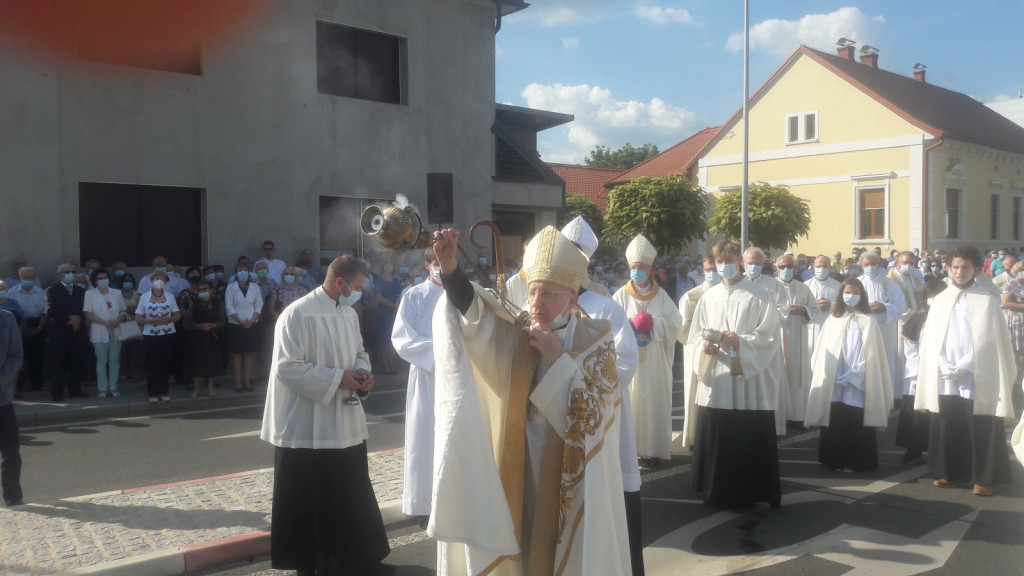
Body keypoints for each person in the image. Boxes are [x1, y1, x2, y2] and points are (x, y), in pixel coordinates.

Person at [430, 225, 631, 576]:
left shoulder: (594, 340)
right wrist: (450, 268)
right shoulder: (516, 329)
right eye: (533, 291)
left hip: (569, 472)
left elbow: (598, 416)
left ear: (573, 298)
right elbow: (476, 316)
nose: (536, 303)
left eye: (549, 294)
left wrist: (560, 359)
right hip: (518, 459)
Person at [260, 255, 392, 575]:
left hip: (344, 421)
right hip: (306, 424)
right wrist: (339, 379)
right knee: (310, 500)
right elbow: (287, 369)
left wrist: (362, 373)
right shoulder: (297, 314)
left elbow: (360, 351)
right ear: (339, 283)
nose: (360, 293)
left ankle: (356, 559)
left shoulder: (347, 313)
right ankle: (311, 564)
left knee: (350, 491)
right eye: (357, 287)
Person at [561, 217, 644, 576]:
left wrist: (582, 385)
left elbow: (625, 360)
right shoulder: (539, 303)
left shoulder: (604, 307)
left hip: (597, 420)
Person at [687, 239, 782, 509]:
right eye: (719, 261)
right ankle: (714, 491)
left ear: (740, 261)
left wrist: (742, 341)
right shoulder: (709, 296)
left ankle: (748, 492)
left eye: (729, 261)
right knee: (718, 432)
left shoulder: (759, 295)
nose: (724, 266)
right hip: (717, 376)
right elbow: (695, 336)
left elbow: (769, 336)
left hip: (745, 378)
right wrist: (703, 347)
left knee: (744, 434)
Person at [916, 246, 1016, 496]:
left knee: (979, 423)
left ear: (975, 270)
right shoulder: (941, 299)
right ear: (948, 268)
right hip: (946, 375)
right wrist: (941, 363)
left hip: (976, 374)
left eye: (966, 267)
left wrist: (964, 365)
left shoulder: (987, 301)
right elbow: (931, 337)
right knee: (950, 423)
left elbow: (989, 340)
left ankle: (983, 477)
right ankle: (952, 472)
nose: (960, 272)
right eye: (956, 267)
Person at [805, 278, 893, 473]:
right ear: (841, 294)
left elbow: (871, 354)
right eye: (847, 292)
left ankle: (857, 461)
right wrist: (834, 373)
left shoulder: (868, 321)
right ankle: (834, 460)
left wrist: (853, 375)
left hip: (858, 381)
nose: (850, 296)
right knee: (836, 418)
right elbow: (825, 350)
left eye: (854, 293)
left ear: (861, 296)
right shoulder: (833, 319)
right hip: (835, 379)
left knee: (856, 419)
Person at [612, 235, 682, 466]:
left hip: (654, 362)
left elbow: (676, 324)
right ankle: (629, 451)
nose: (637, 271)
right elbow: (609, 326)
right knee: (629, 403)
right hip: (628, 361)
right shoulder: (620, 296)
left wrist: (654, 322)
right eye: (633, 267)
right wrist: (630, 322)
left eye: (641, 267)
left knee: (652, 403)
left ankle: (653, 449)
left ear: (650, 269)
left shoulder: (661, 296)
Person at [390, 248, 444, 523]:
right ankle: (423, 504)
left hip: (461, 375)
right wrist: (442, 351)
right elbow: (402, 339)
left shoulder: (466, 291)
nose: (441, 268)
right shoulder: (414, 295)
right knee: (424, 438)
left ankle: (452, 500)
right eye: (436, 263)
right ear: (427, 265)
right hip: (427, 375)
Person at [896, 278, 947, 465]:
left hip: (945, 375)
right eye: (932, 296)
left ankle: (939, 452)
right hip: (920, 375)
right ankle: (914, 449)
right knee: (917, 415)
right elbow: (910, 349)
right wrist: (922, 371)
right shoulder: (918, 319)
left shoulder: (949, 319)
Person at [775, 254, 822, 428]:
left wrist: (804, 310)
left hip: (798, 337)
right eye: (782, 267)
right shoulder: (770, 288)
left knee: (797, 375)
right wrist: (786, 311)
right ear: (776, 268)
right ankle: (781, 416)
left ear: (795, 269)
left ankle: (797, 415)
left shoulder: (803, 288)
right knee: (780, 376)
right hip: (777, 337)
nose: (786, 270)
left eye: (789, 267)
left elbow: (815, 311)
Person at [858, 251, 907, 397]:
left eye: (873, 264)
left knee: (885, 362)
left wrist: (885, 307)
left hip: (885, 330)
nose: (870, 267)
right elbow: (847, 306)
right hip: (862, 331)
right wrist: (865, 308)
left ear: (879, 264)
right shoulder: (856, 284)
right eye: (867, 264)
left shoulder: (890, 284)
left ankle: (885, 398)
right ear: (861, 265)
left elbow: (901, 306)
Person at [135, 271, 180, 402]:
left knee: (165, 364)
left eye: (162, 279)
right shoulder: (144, 297)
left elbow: (177, 315)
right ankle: (152, 392)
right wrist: (151, 321)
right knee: (152, 364)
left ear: (165, 282)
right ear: (152, 280)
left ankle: (164, 391)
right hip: (150, 335)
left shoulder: (170, 296)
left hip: (167, 334)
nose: (159, 280)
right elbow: (138, 318)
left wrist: (168, 319)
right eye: (157, 278)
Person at [47, 263, 88, 401]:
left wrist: (79, 318)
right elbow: (51, 310)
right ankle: (57, 393)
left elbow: (86, 309)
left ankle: (75, 389)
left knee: (76, 362)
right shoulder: (52, 290)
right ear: (60, 275)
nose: (71, 273)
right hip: (60, 332)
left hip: (77, 332)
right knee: (58, 364)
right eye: (67, 272)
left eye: (73, 271)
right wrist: (69, 320)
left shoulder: (81, 291)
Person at [83, 269, 126, 398]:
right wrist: (106, 323)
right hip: (99, 330)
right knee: (101, 361)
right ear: (95, 280)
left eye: (105, 277)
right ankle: (102, 388)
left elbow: (123, 310)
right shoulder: (90, 294)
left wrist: (117, 321)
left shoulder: (117, 293)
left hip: (116, 329)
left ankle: (113, 387)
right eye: (100, 278)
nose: (103, 280)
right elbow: (88, 313)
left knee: (115, 360)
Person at [888, 251, 924, 401]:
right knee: (898, 356)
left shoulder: (916, 278)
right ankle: (895, 393)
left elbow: (922, 297)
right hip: (898, 322)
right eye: (905, 263)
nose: (908, 266)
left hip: (916, 321)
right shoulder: (889, 280)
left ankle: (908, 390)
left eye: (911, 263)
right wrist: (909, 313)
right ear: (897, 263)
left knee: (912, 358)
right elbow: (890, 302)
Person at [182, 280, 225, 398]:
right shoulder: (194, 304)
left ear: (211, 290)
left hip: (212, 336)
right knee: (196, 364)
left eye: (205, 289)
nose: (202, 292)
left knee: (212, 363)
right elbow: (186, 322)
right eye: (200, 290)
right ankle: (196, 388)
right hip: (197, 337)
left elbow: (222, 320)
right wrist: (198, 326)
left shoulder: (218, 303)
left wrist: (213, 325)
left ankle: (211, 387)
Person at [224, 264, 263, 393]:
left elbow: (258, 304)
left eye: (245, 270)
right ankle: (238, 383)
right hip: (236, 325)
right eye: (240, 270)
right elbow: (229, 307)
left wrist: (251, 321)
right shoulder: (231, 288)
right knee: (237, 355)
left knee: (248, 354)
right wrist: (241, 322)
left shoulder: (255, 287)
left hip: (251, 324)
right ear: (236, 273)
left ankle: (247, 381)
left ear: (249, 273)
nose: (242, 272)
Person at [0, 308, 24, 506]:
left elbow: (16, 355)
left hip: (2, 399)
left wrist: (1, 379)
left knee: (11, 452)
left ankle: (13, 497)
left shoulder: (6, 318)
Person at [9, 266, 45, 395]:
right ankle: (17, 386)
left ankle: (37, 384)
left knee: (37, 357)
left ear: (35, 278)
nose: (28, 280)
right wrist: (21, 328)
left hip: (37, 324)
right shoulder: (11, 292)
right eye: (25, 278)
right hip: (17, 326)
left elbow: (44, 312)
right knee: (18, 357)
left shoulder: (41, 292)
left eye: (31, 278)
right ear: (20, 278)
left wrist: (39, 328)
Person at [807, 255, 842, 352]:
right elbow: (800, 306)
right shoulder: (805, 286)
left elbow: (845, 307)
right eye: (818, 267)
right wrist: (813, 306)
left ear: (830, 268)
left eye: (825, 267)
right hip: (810, 329)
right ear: (813, 267)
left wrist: (831, 305)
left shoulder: (839, 287)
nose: (821, 269)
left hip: (831, 329)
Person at [373, 262, 403, 375]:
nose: (387, 267)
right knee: (384, 341)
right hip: (383, 314)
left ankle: (392, 364)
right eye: (386, 265)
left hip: (395, 314)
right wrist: (393, 305)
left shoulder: (396, 281)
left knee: (393, 340)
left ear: (394, 268)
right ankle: (385, 365)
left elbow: (401, 294)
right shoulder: (379, 281)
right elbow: (378, 297)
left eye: (390, 265)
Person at [119, 273, 143, 380]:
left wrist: (126, 310)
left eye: (130, 281)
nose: (128, 283)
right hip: (121, 325)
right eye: (125, 281)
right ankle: (123, 371)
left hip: (134, 324)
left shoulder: (136, 294)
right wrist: (130, 309)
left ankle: (134, 371)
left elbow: (139, 309)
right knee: (122, 351)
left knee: (134, 350)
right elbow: (117, 310)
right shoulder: (117, 294)